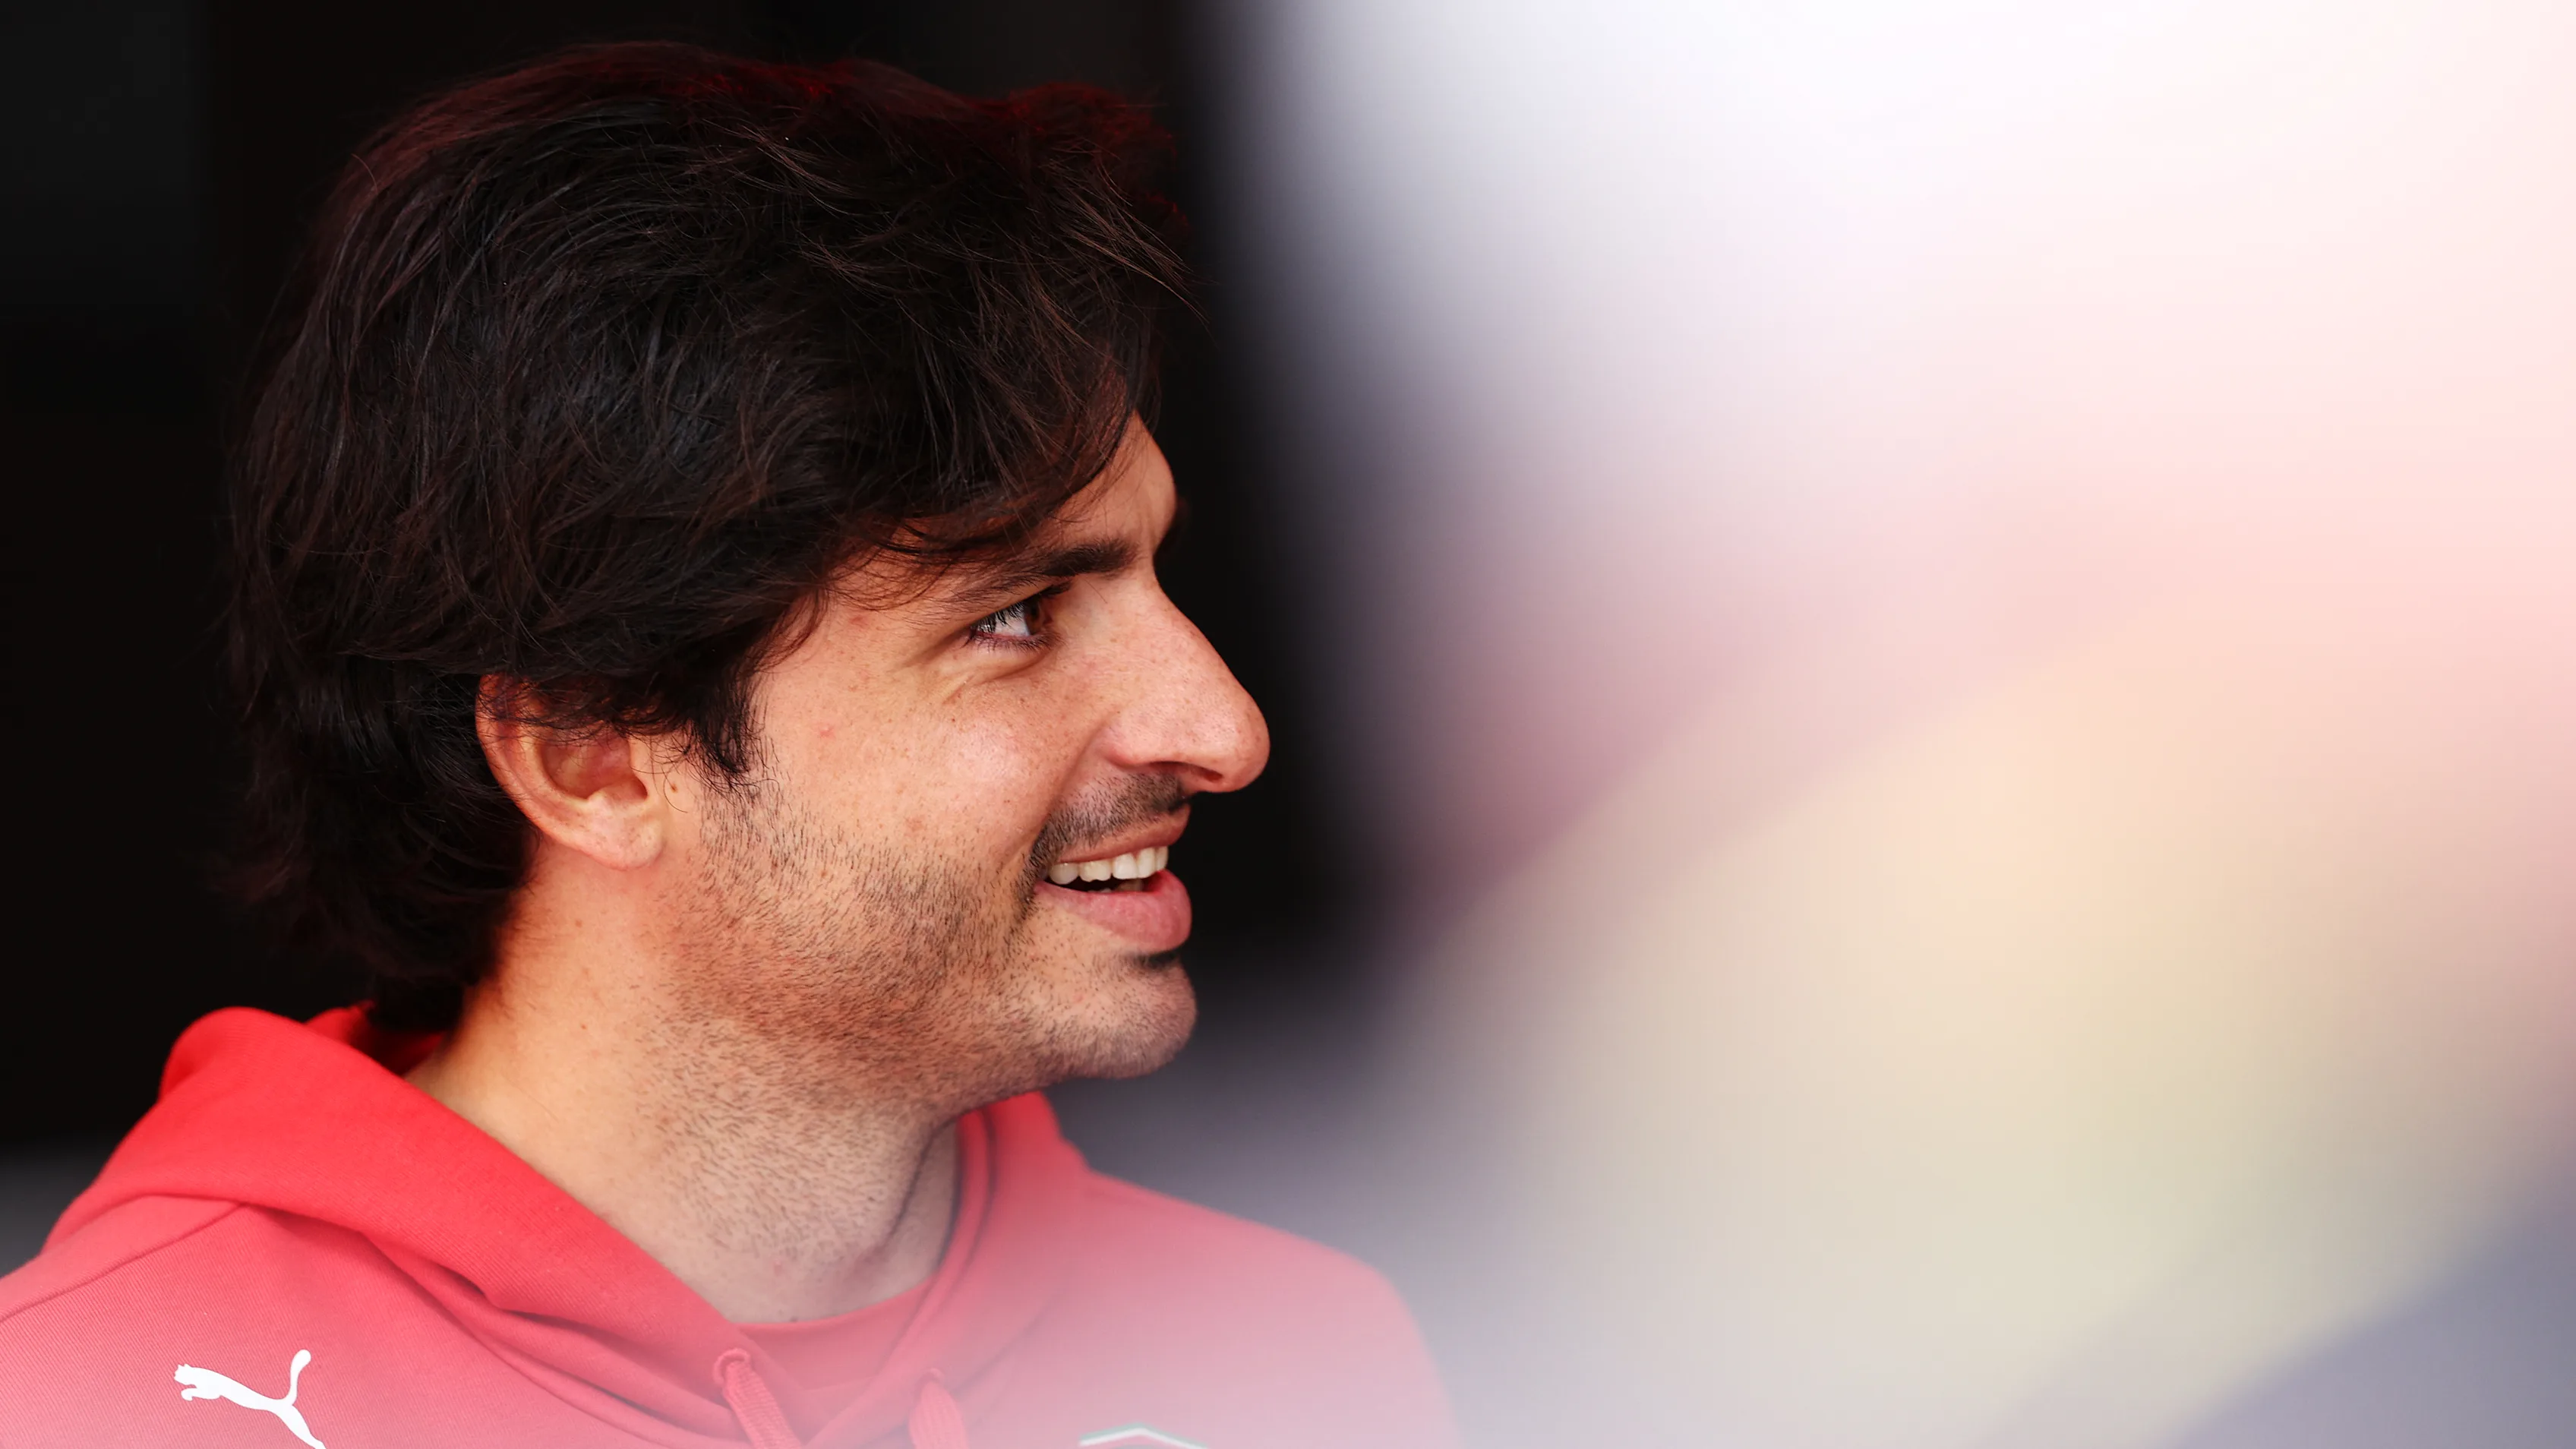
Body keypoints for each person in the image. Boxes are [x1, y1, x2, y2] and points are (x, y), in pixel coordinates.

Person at [0, 43, 1452, 1449]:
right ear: (591, 758)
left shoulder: (1310, 1359)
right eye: (1014, 617)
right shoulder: (92, 1403)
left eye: (1154, 575)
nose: (1227, 731)